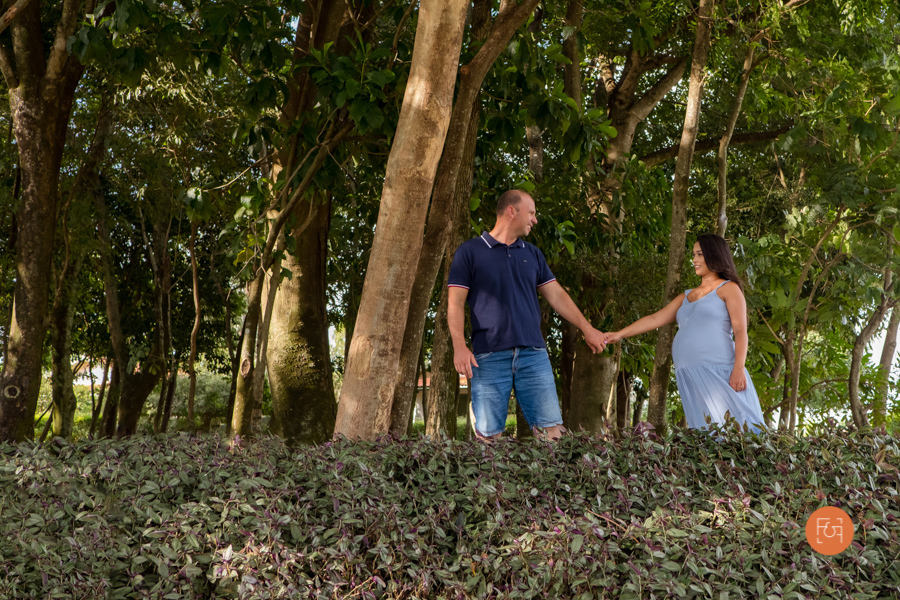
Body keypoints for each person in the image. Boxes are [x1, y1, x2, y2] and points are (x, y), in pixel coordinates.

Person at [447, 190, 607, 441]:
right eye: (531, 213)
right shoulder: (470, 251)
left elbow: (557, 295)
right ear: (512, 211)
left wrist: (587, 328)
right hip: (488, 356)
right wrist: (459, 345)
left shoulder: (532, 254)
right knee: (488, 439)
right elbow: (455, 302)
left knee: (552, 434)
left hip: (533, 355)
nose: (535, 219)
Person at [605, 234, 766, 432]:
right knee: (708, 431)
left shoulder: (728, 288)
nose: (694, 259)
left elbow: (740, 330)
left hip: (719, 369)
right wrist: (619, 334)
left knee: (739, 428)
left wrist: (738, 368)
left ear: (714, 255)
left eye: (700, 254)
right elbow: (655, 319)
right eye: (693, 254)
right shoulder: (686, 296)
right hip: (689, 373)